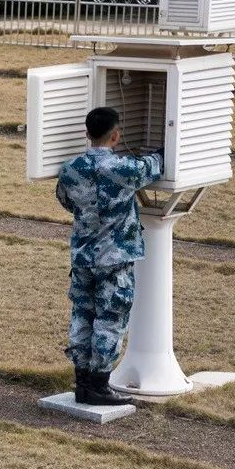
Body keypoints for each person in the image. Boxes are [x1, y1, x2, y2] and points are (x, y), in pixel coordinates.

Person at [55, 107, 162, 406]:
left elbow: (65, 200)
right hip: (114, 260)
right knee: (110, 319)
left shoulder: (70, 168)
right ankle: (99, 386)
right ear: (115, 136)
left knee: (82, 315)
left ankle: (82, 384)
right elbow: (156, 164)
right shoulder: (126, 169)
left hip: (82, 256)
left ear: (87, 133)